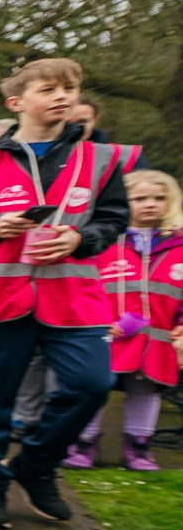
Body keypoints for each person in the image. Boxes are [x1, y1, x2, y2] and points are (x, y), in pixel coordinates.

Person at [0, 58, 129, 530]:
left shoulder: (102, 161)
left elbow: (114, 218)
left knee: (92, 384)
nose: (64, 96)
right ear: (17, 102)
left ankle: (35, 466)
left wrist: (83, 240)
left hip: (73, 299)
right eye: (50, 89)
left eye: (71, 88)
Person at [64, 169, 182, 471]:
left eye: (160, 198)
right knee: (95, 388)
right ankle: (83, 442)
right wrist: (97, 320)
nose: (151, 204)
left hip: (157, 337)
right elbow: (83, 285)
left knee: (146, 389)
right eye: (140, 198)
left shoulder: (179, 246)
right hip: (107, 333)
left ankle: (139, 447)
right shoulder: (104, 242)